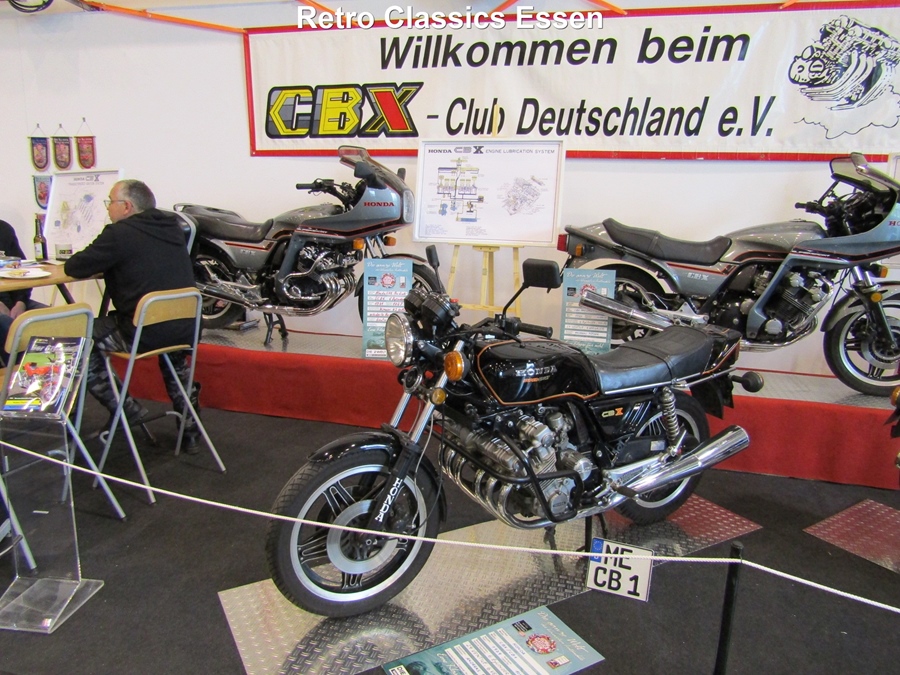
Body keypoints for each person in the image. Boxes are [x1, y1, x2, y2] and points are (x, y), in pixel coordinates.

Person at [64, 179, 202, 451]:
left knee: (77, 337)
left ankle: (125, 408)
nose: (107, 209)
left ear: (126, 206)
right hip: (184, 327)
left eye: (110, 202)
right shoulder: (172, 227)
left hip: (143, 331)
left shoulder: (119, 234)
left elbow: (75, 266)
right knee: (174, 359)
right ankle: (191, 431)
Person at [0, 220, 47, 364]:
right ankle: (26, 371)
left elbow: (22, 270)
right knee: (10, 327)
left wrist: (21, 302)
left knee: (59, 318)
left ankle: (60, 372)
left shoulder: (4, 229)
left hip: (14, 299)